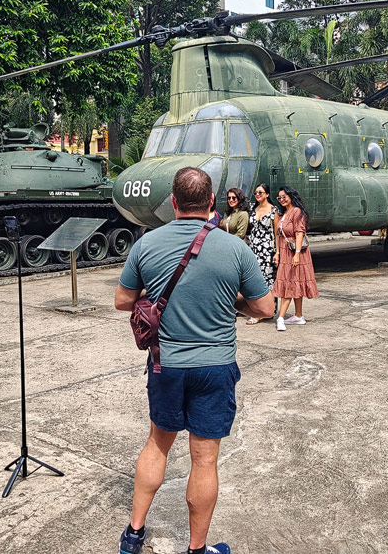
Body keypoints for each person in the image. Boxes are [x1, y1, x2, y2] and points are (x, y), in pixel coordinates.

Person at [114, 167, 274, 554]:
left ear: (173, 202)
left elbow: (122, 300)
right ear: (211, 203)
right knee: (204, 461)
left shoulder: (147, 244)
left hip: (165, 364)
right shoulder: (236, 249)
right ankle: (197, 549)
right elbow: (266, 308)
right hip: (214, 366)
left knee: (157, 445)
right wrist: (230, 298)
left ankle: (133, 535)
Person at [272, 186, 318, 332]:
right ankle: (298, 316)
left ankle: (281, 317)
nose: (282, 199)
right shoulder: (285, 213)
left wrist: (297, 253)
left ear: (291, 196)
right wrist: (278, 252)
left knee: (290, 283)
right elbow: (279, 235)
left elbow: (299, 233)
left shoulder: (297, 212)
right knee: (294, 282)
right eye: (279, 198)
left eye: (284, 196)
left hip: (295, 252)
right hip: (286, 252)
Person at [243, 183, 279, 325]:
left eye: (261, 193)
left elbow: (276, 233)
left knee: (267, 280)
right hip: (254, 248)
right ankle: (261, 310)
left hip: (267, 249)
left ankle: (266, 311)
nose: (258, 195)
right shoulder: (252, 208)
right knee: (254, 279)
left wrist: (277, 252)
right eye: (256, 193)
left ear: (267, 194)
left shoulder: (273, 210)